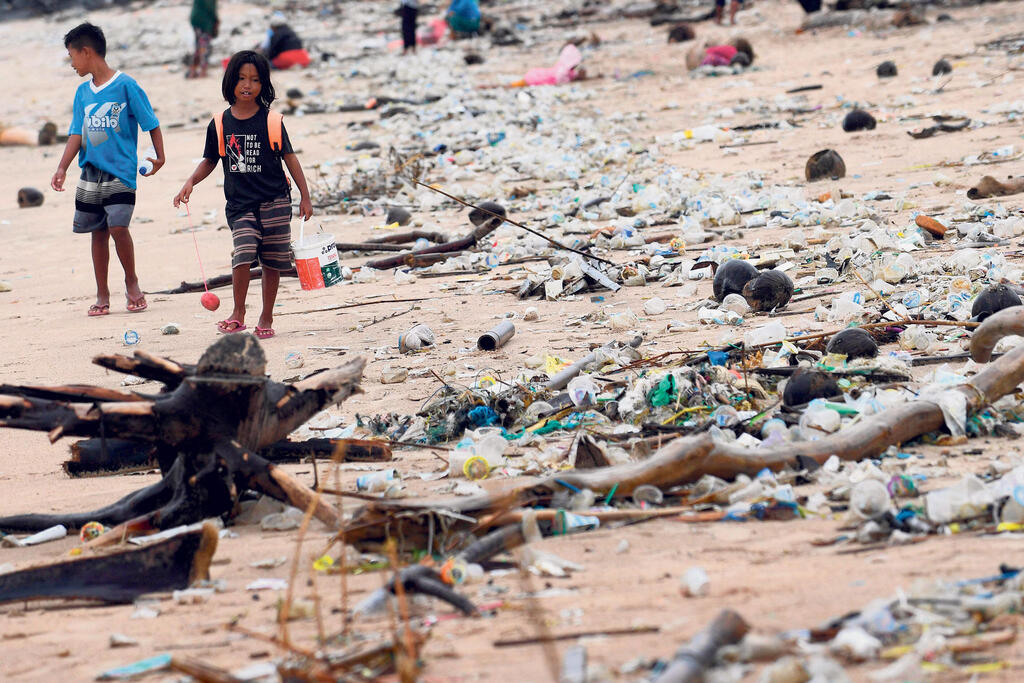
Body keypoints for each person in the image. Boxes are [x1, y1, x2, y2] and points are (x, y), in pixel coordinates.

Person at [173, 51, 313, 339]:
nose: (247, 85)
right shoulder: (220, 123)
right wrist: (190, 182)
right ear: (230, 82)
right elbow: (210, 160)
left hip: (275, 200)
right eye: (241, 79)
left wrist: (305, 195)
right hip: (240, 205)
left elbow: (290, 158)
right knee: (244, 253)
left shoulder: (272, 121)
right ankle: (238, 312)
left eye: (255, 80)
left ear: (264, 85)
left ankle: (267, 315)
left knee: (272, 261)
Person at [51, 23, 164, 317]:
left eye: (72, 56)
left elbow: (150, 122)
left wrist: (159, 156)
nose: (72, 62)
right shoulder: (82, 93)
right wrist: (62, 167)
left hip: (121, 171)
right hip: (90, 172)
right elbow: (77, 133)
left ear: (86, 52)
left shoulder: (126, 85)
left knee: (118, 227)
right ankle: (102, 292)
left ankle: (131, 281)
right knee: (97, 232)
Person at [188, 0, 218, 79]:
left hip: (196, 20)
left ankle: (193, 71)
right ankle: (202, 71)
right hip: (203, 22)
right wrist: (216, 20)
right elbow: (210, 8)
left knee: (199, 47)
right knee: (204, 47)